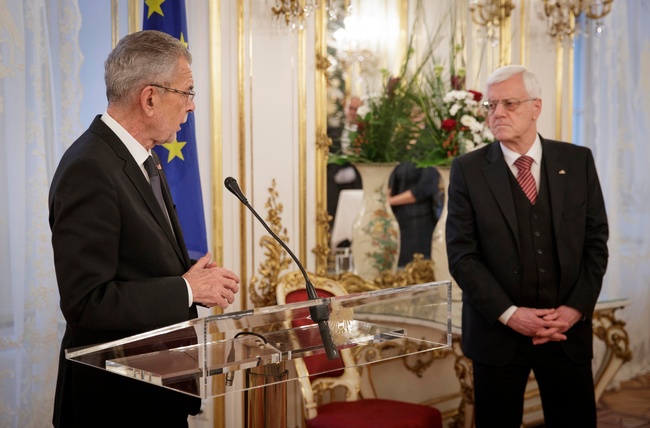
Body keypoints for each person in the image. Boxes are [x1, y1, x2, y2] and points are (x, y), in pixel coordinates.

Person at [48, 30, 240, 427]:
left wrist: (187, 274)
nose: (192, 107)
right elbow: (87, 301)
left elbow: (134, 256)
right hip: (115, 404)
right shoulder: (89, 168)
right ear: (150, 97)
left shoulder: (142, 157)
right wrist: (187, 289)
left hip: (156, 389)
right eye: (186, 92)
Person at [445, 65, 608, 427]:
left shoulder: (577, 161)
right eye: (490, 105)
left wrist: (574, 310)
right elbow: (462, 256)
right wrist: (511, 315)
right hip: (497, 335)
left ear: (536, 107)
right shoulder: (468, 171)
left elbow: (596, 244)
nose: (497, 113)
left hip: (565, 331)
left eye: (509, 103)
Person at [388, 162, 442, 266]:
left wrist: (390, 201)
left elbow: (425, 188)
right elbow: (391, 182)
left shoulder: (427, 151)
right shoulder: (400, 152)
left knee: (417, 267)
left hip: (419, 222)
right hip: (398, 218)